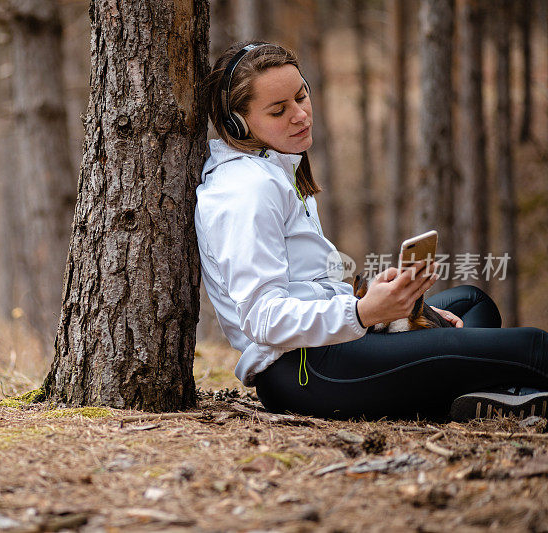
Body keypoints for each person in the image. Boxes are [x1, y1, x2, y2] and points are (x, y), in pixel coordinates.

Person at [195, 41, 548, 421]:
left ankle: (472, 395)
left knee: (472, 303)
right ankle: (500, 392)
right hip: (304, 370)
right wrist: (362, 312)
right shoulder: (248, 190)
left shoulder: (275, 168)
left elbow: (309, 281)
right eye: (279, 110)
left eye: (301, 96)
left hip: (330, 344)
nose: (300, 115)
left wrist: (377, 298)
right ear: (238, 123)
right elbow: (263, 318)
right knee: (533, 347)